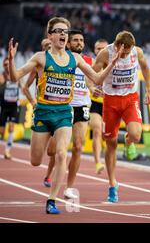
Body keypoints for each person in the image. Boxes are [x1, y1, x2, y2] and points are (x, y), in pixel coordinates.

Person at [6, 16, 121, 214]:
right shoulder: (40, 58)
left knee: (61, 154)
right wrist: (11, 60)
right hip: (43, 112)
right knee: (35, 160)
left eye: (65, 32)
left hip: (63, 113)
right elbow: (16, 77)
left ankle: (52, 199)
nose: (62, 34)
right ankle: (48, 145)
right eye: (58, 31)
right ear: (49, 36)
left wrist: (112, 64)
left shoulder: (75, 59)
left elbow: (96, 78)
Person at [92, 30, 150, 203]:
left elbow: (146, 68)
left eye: (128, 52)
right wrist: (91, 87)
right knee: (110, 144)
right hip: (110, 101)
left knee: (135, 134)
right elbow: (92, 73)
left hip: (130, 98)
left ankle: (128, 142)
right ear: (117, 45)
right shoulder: (106, 53)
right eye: (123, 52)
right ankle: (112, 185)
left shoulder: (137, 51)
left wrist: (149, 90)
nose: (125, 55)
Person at [63, 29, 95, 200]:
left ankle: (69, 187)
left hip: (81, 105)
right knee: (55, 151)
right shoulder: (62, 60)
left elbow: (91, 82)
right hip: (62, 106)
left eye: (81, 40)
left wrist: (94, 89)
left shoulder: (89, 61)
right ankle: (53, 172)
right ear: (68, 43)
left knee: (78, 147)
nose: (79, 43)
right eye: (75, 40)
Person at [22, 38, 55, 187]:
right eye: (46, 46)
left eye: (51, 45)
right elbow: (25, 87)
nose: (49, 47)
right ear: (42, 48)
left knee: (54, 151)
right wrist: (33, 102)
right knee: (37, 158)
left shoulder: (61, 62)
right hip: (41, 109)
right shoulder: (38, 65)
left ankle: (48, 176)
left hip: (58, 110)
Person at [0, 60, 31, 159]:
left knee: (11, 128)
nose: (6, 66)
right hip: (4, 106)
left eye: (8, 64)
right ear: (3, 66)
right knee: (1, 131)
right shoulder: (1, 77)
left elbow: (23, 88)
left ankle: (7, 151)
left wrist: (29, 98)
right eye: (5, 64)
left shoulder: (17, 76)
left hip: (14, 106)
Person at [89, 39, 109, 175]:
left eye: (103, 48)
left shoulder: (114, 63)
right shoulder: (91, 64)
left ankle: (106, 156)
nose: (100, 51)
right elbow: (87, 78)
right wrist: (91, 88)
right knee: (96, 130)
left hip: (110, 104)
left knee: (107, 136)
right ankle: (97, 162)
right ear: (94, 50)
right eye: (98, 48)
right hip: (94, 103)